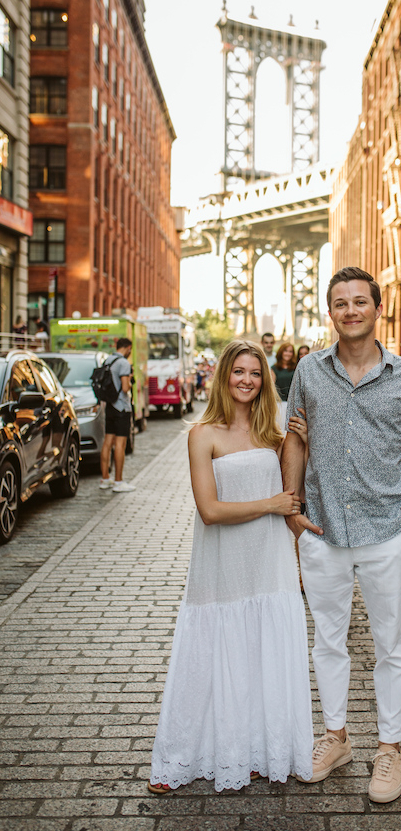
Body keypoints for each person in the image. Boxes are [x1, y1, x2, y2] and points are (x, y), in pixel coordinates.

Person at [282, 266, 401, 804]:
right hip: (322, 531)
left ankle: (390, 748)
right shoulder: (308, 371)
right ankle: (338, 738)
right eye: (341, 303)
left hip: (385, 532)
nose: (351, 311)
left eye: (360, 302)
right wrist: (293, 511)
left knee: (390, 647)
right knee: (328, 642)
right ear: (331, 312)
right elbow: (295, 441)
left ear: (378, 309)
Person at [148, 339, 313, 793]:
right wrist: (271, 504)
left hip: (268, 559)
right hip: (221, 564)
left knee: (260, 650)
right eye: (239, 371)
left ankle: (257, 751)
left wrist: (304, 439)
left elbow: (297, 487)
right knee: (211, 649)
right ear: (224, 376)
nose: (247, 380)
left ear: (264, 381)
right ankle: (181, 756)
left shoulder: (273, 434)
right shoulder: (203, 434)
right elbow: (210, 511)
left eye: (255, 373)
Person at [99, 338, 135, 493]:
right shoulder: (124, 363)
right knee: (120, 444)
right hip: (121, 407)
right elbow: (125, 388)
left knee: (107, 442)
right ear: (128, 348)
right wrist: (131, 380)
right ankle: (119, 481)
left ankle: (105, 479)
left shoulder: (108, 360)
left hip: (110, 406)